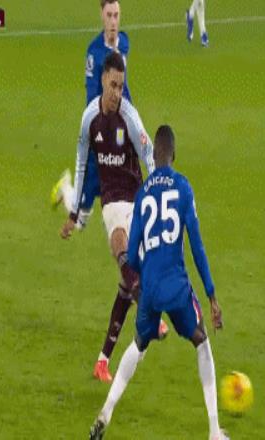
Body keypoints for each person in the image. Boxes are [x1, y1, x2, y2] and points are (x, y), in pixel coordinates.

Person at [89, 125, 229, 440]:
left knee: (139, 343)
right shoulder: (183, 187)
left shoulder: (143, 194)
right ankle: (213, 430)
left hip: (150, 288)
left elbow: (133, 251)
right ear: (174, 155)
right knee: (201, 342)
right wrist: (211, 295)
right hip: (177, 287)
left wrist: (140, 277)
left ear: (154, 154)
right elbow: (197, 246)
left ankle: (106, 412)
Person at [60, 52, 167, 383]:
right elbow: (81, 163)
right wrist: (75, 213)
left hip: (137, 196)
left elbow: (149, 154)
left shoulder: (129, 117)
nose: (118, 92)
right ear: (103, 80)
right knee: (118, 243)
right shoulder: (89, 119)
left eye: (121, 86)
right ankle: (149, 310)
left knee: (126, 282)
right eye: (113, 85)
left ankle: (102, 360)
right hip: (111, 200)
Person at [51, 0, 131, 230]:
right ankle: (66, 189)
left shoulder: (124, 42)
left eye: (116, 15)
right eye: (109, 15)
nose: (113, 21)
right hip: (101, 131)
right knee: (82, 219)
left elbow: (124, 86)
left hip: (119, 127)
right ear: (101, 16)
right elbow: (91, 98)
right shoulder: (94, 53)